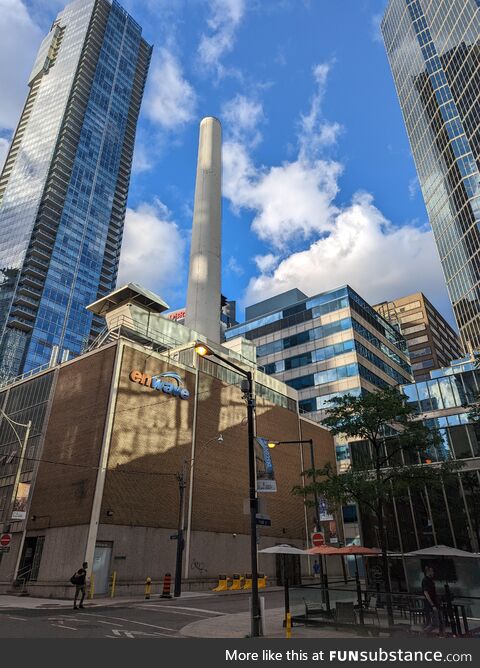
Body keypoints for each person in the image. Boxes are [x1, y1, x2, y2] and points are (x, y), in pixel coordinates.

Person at [422, 565, 442, 634]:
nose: (433, 573)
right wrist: (432, 605)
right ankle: (425, 633)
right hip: (430, 604)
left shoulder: (431, 580)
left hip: (434, 602)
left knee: (437, 620)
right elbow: (426, 593)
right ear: (428, 572)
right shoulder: (425, 580)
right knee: (434, 622)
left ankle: (438, 633)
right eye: (432, 571)